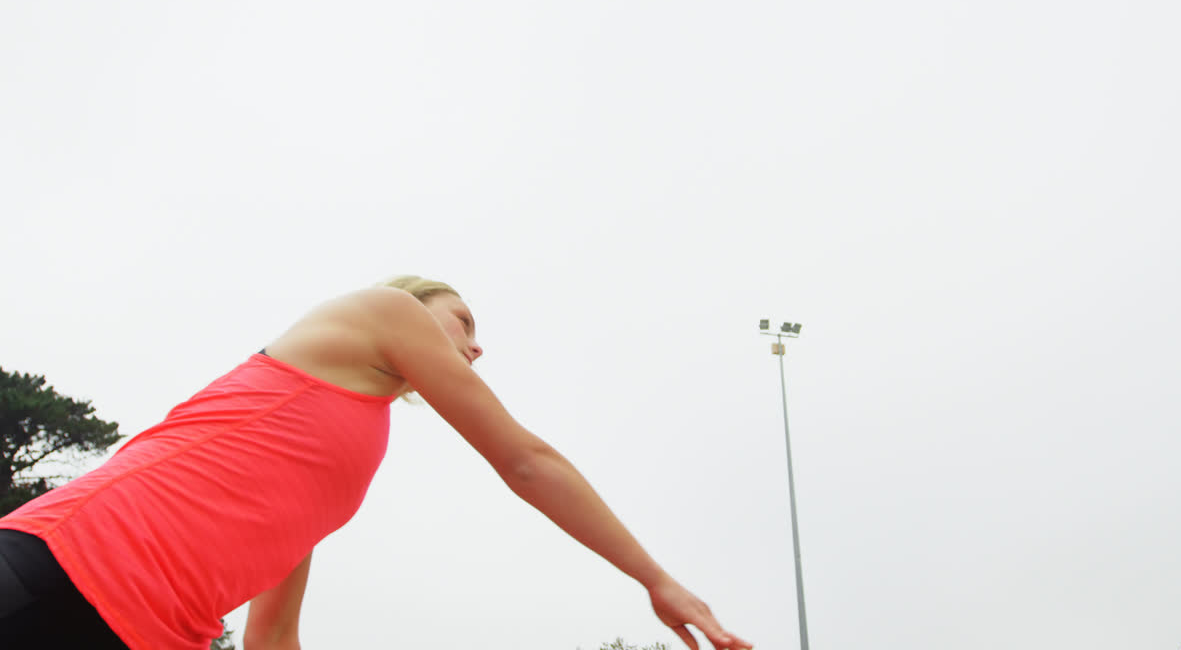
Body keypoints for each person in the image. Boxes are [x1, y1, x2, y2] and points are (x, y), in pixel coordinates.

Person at [0, 276, 752, 650]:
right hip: (65, 567)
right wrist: (656, 579)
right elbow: (524, 461)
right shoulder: (383, 311)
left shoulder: (347, 443)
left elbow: (271, 634)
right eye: (463, 321)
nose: (477, 345)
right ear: (415, 306)